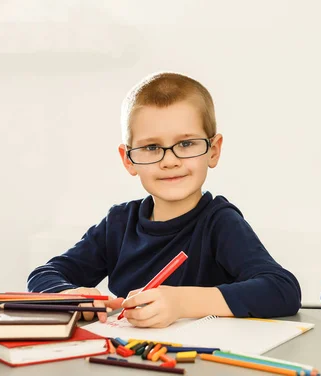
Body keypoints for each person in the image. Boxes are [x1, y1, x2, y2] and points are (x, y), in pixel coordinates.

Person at [28, 72, 302, 327]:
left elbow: (282, 289)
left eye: (186, 144)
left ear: (213, 150)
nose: (169, 161)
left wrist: (181, 303)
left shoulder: (220, 223)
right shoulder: (118, 224)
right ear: (128, 159)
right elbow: (43, 275)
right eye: (151, 147)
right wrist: (70, 295)